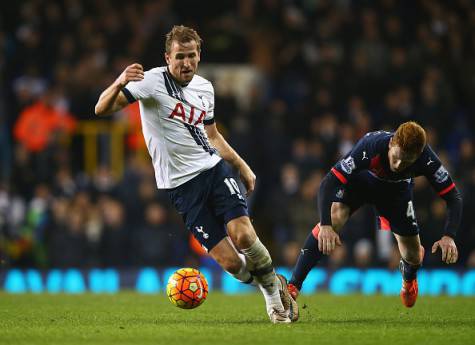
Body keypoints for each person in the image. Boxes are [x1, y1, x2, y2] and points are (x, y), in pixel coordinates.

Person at [94, 25, 297, 323]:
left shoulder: (204, 88)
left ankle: (272, 299)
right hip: (180, 187)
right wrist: (119, 81)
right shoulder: (150, 82)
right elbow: (101, 109)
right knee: (230, 263)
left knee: (242, 234)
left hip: (213, 170)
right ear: (167, 57)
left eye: (191, 56)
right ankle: (270, 283)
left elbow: (212, 135)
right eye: (179, 57)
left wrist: (241, 165)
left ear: (199, 55)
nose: (186, 63)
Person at [288, 121, 462, 309]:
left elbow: (453, 197)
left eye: (407, 161)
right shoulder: (370, 146)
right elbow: (328, 182)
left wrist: (449, 236)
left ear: (418, 155)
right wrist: (325, 225)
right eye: (397, 157)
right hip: (363, 182)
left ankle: (409, 275)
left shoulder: (427, 159)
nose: (398, 164)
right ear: (391, 144)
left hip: (396, 194)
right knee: (335, 216)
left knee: (414, 256)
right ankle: (293, 286)